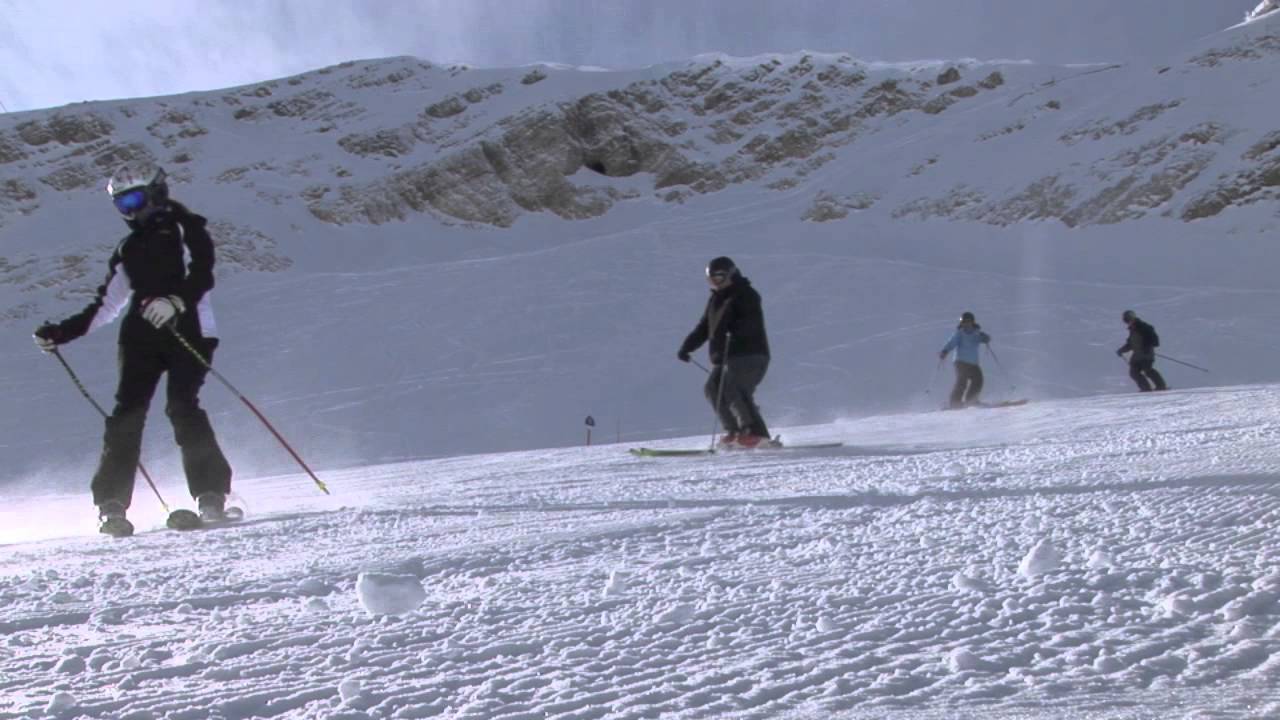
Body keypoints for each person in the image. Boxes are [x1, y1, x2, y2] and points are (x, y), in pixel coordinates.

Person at [32, 161, 233, 537]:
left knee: (182, 406)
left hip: (190, 329)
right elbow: (106, 306)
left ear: (156, 194)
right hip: (140, 337)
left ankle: (210, 495)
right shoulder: (129, 248)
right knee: (127, 414)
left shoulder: (187, 228)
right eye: (122, 204)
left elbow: (202, 273)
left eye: (135, 200)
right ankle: (111, 504)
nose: (130, 211)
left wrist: (176, 301)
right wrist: (60, 333)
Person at [677, 256, 773, 448]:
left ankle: (753, 432)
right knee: (713, 388)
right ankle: (734, 431)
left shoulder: (745, 294)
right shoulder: (716, 299)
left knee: (734, 388)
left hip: (749, 354)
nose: (715, 282)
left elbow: (750, 322)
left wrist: (735, 330)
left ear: (731, 274)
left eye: (719, 277)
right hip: (727, 357)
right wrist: (687, 347)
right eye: (711, 279)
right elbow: (704, 327)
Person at [939, 311, 991, 409]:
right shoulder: (960, 333)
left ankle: (971, 400)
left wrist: (986, 338)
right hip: (961, 362)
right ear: (961, 323)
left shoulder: (976, 333)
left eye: (968, 322)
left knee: (978, 380)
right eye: (964, 322)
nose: (966, 324)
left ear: (972, 322)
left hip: (973, 363)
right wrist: (945, 351)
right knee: (962, 381)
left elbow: (984, 338)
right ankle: (954, 402)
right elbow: (952, 342)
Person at [1116, 309, 1167, 392]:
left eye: (1128, 319)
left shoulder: (1144, 327)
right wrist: (1121, 350)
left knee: (1148, 370)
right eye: (1126, 321)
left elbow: (1155, 340)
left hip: (1146, 354)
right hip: (1137, 355)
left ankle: (1161, 386)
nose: (1128, 322)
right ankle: (1145, 388)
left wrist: (1147, 346)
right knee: (1134, 373)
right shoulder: (1132, 330)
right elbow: (1130, 344)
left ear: (1133, 318)